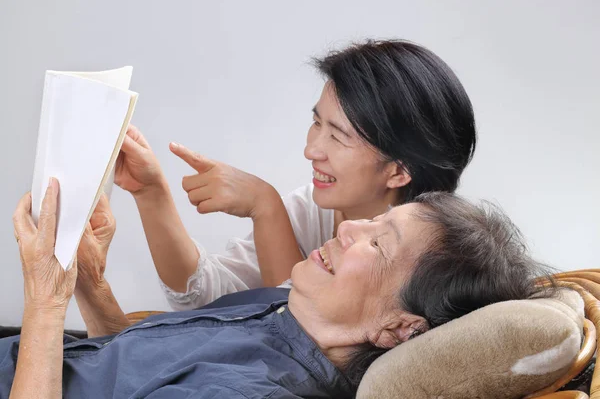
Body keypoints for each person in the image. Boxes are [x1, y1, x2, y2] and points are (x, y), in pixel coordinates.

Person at [2, 180, 552, 398]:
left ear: (400, 327)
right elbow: (127, 366)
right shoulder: (288, 308)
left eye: (379, 244)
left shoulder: (252, 394)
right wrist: (91, 285)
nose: (348, 227)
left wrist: (46, 300)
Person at [115, 39, 478, 310]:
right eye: (316, 122)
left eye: (337, 136)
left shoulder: (418, 257)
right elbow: (204, 295)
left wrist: (265, 207)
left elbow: (294, 331)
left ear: (399, 171)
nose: (312, 150)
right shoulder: (315, 207)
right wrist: (151, 193)